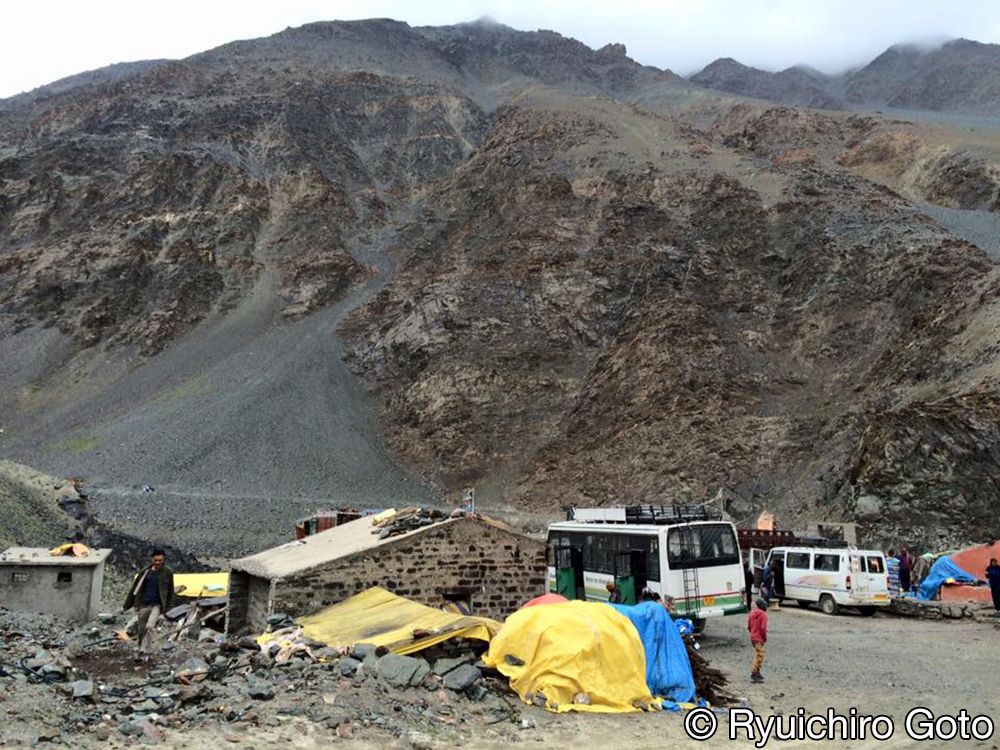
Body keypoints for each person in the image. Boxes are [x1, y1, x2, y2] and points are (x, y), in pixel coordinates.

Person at [123, 549, 175, 662]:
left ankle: (145, 651)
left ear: (163, 559)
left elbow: (171, 592)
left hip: (156, 605)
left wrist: (167, 609)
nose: (157, 562)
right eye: (156, 560)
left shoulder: (168, 573)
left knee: (150, 627)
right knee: (141, 629)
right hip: (143, 605)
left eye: (160, 560)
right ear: (152, 559)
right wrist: (127, 605)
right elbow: (135, 589)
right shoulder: (145, 571)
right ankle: (140, 648)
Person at [748, 597, 768, 683]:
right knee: (759, 656)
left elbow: (749, 626)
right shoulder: (763, 615)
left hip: (753, 637)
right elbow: (763, 628)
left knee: (758, 654)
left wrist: (752, 633)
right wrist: (764, 638)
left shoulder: (751, 613)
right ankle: (754, 673)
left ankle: (757, 672)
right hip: (759, 638)